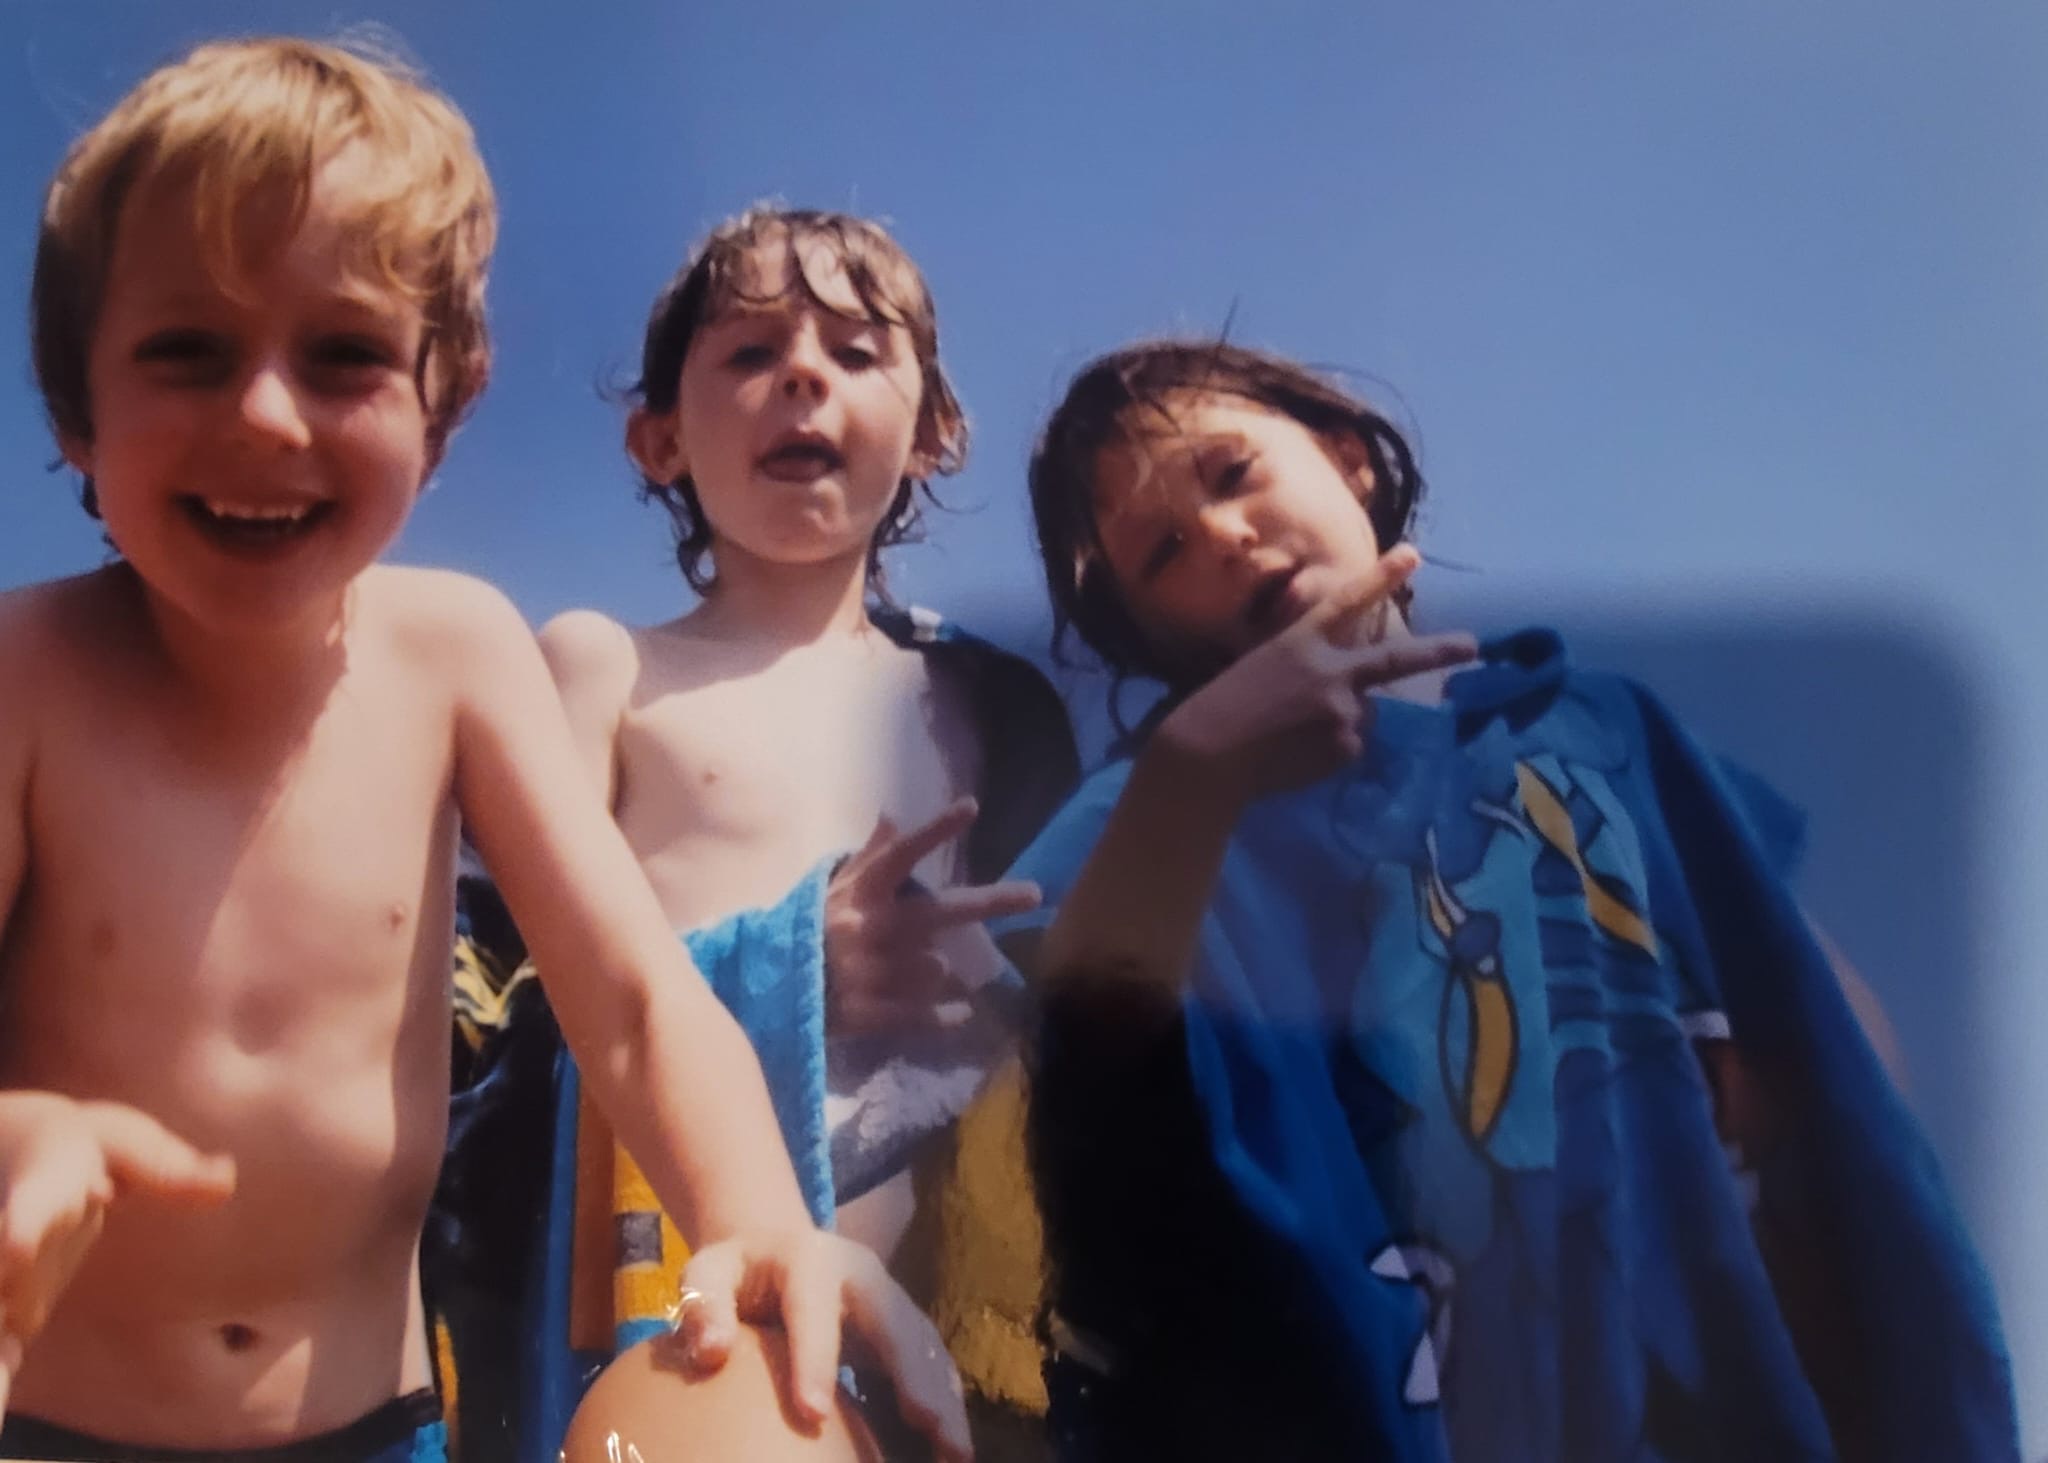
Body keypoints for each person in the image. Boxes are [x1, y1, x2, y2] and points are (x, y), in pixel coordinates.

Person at [0, 39, 966, 1462]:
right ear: (78, 412)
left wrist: (761, 1226)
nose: (263, 412)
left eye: (343, 356)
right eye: (185, 352)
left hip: (373, 1426)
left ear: (439, 408)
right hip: (51, 1423)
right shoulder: (26, 671)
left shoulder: (454, 654)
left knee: (766, 1408)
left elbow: (632, 999)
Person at [1005, 339, 2018, 1460]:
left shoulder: (1601, 727)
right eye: (1163, 553)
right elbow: (1061, 1024)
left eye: (1232, 473)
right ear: (1151, 637)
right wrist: (1195, 767)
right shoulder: (1155, 814)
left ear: (1346, 459)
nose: (1223, 536)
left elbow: (1824, 1028)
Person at [446, 208, 1074, 1458]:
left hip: (932, 1282)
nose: (801, 375)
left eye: (854, 350)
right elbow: (515, 976)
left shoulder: (984, 704)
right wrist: (793, 961)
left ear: (935, 430)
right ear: (659, 439)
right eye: (748, 352)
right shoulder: (604, 663)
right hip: (682, 1275)